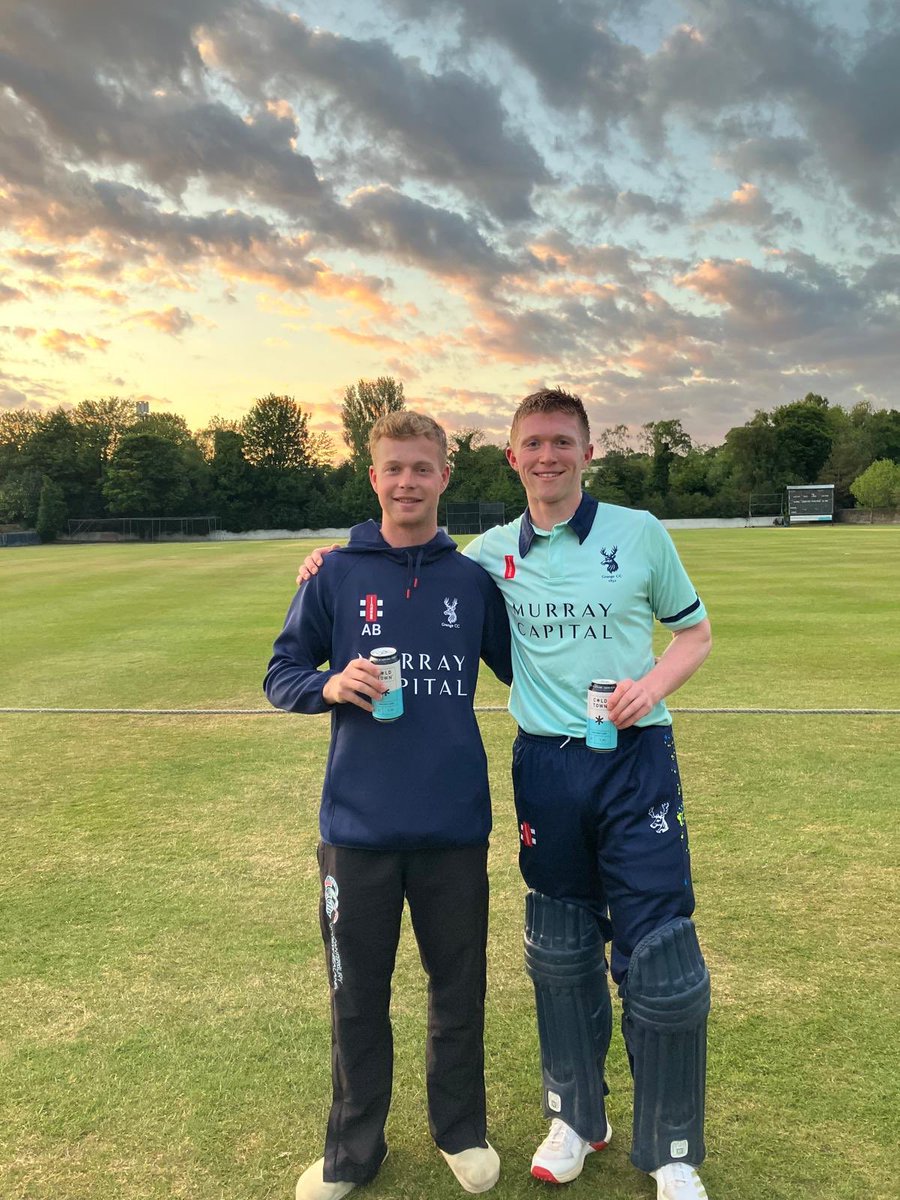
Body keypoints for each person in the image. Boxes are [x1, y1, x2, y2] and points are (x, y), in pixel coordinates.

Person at [297, 389, 713, 1200]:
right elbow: (386, 559)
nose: (549, 456)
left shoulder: (632, 535)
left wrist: (650, 685)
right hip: (543, 767)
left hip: (631, 762)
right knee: (559, 950)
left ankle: (669, 1150)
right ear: (512, 458)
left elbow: (691, 632)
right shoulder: (487, 554)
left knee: (659, 958)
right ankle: (575, 1118)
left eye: (564, 442)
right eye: (534, 444)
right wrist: (327, 558)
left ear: (588, 453)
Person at [265, 411, 512, 1200]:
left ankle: (459, 1131)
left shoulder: (472, 582)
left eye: (422, 467)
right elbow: (281, 672)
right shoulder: (334, 574)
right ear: (373, 478)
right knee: (357, 999)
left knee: (457, 989)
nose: (408, 481)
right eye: (393, 468)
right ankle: (352, 1152)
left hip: (452, 829)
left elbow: (528, 667)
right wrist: (329, 684)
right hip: (357, 833)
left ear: (446, 476)